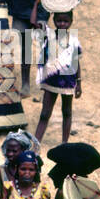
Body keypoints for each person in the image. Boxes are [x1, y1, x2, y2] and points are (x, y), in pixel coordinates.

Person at [34, 10, 81, 145]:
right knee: (45, 113)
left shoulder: (73, 40)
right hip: (51, 81)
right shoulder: (48, 35)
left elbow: (77, 62)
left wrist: (79, 83)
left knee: (67, 112)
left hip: (68, 82)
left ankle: (64, 143)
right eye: (59, 21)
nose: (62, 24)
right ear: (54, 21)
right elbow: (34, 23)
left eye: (65, 21)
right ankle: (36, 143)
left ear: (71, 22)